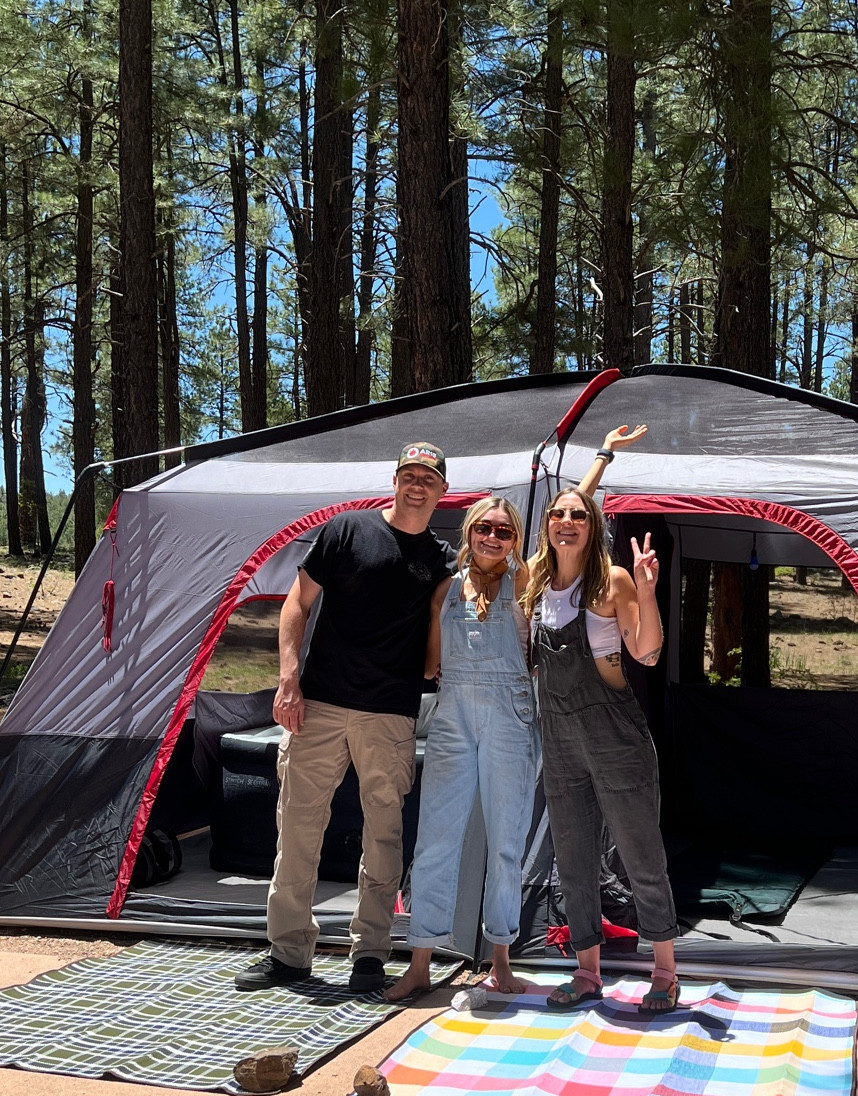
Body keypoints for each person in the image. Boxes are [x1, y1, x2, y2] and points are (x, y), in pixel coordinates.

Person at [384, 425, 648, 1002]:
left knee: (507, 841)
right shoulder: (445, 592)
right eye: (485, 528)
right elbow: (430, 666)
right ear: (470, 532)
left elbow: (570, 519)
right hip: (452, 719)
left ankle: (500, 962)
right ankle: (420, 960)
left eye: (505, 531)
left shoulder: (529, 584)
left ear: (515, 540)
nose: (494, 537)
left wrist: (601, 458)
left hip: (511, 718)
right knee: (435, 839)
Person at [241, 441, 457, 993]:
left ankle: (371, 953)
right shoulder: (346, 530)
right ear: (394, 479)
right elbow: (296, 604)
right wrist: (289, 677)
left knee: (383, 835)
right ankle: (289, 953)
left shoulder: (441, 560)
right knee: (298, 828)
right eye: (408, 474)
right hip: (319, 705)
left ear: (441, 492)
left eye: (427, 480)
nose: (416, 485)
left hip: (389, 714)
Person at [525, 443, 680, 1014]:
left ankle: (664, 970)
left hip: (615, 736)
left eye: (579, 516)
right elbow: (575, 501)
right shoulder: (537, 581)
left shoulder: (609, 581)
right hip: (560, 741)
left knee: (640, 853)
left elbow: (646, 652)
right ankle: (587, 971)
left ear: (594, 528)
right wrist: (601, 457)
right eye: (559, 515)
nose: (568, 522)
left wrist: (646, 589)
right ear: (547, 526)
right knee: (573, 858)